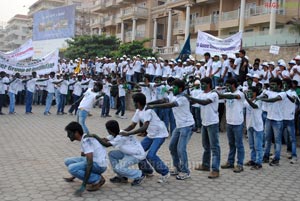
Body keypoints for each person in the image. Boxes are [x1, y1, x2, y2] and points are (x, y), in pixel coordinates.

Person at [147, 79, 194, 180]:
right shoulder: (173, 95)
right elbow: (163, 100)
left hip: (187, 126)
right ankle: (177, 167)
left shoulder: (183, 98)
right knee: (172, 147)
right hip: (179, 125)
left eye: (175, 87)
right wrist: (150, 103)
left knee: (181, 149)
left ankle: (186, 171)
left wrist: (153, 106)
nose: (172, 88)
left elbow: (169, 105)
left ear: (180, 88)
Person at [121, 93, 170, 183]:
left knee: (151, 155)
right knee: (138, 151)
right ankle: (147, 171)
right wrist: (121, 132)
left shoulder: (148, 110)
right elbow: (132, 125)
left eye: (134, 102)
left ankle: (165, 172)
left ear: (138, 103)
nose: (133, 104)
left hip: (160, 134)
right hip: (151, 134)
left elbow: (144, 127)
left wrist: (129, 134)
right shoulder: (138, 111)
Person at [88, 120, 146, 186]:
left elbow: (106, 144)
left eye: (107, 129)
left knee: (118, 168)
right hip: (128, 152)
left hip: (136, 155)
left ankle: (139, 175)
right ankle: (122, 177)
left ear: (109, 130)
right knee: (112, 154)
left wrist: (95, 136)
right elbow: (104, 140)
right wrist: (92, 139)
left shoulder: (120, 137)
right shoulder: (117, 133)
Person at [185, 77, 221, 179]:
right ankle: (205, 165)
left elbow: (204, 102)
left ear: (209, 84)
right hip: (204, 123)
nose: (202, 85)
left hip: (212, 123)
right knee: (206, 146)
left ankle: (215, 169)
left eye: (204, 83)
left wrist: (190, 98)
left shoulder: (213, 94)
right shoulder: (201, 94)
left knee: (215, 147)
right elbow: (195, 102)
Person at [63, 122, 107, 196]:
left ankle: (98, 180)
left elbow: (89, 164)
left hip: (99, 165)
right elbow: (83, 157)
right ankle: (94, 176)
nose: (68, 136)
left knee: (71, 168)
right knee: (68, 161)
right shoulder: (84, 138)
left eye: (69, 133)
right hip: (95, 162)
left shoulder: (86, 141)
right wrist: (75, 175)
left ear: (76, 133)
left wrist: (83, 185)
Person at [218, 78, 245, 173]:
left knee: (239, 144)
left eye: (228, 85)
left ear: (233, 85)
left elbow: (234, 97)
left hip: (238, 123)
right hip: (229, 122)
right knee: (231, 144)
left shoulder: (240, 93)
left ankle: (240, 164)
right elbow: (221, 97)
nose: (227, 87)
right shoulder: (226, 94)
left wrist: (220, 94)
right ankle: (230, 162)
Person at [259, 78, 286, 166]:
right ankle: (266, 157)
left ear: (279, 85)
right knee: (267, 140)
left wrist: (263, 100)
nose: (271, 86)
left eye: (274, 84)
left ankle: (276, 159)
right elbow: (263, 96)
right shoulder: (269, 92)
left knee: (277, 141)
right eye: (271, 84)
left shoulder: (283, 93)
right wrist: (260, 97)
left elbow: (274, 100)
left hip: (278, 120)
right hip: (269, 118)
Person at [244, 86, 264, 170]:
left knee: (258, 146)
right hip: (249, 125)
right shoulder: (246, 101)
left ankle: (258, 163)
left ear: (255, 93)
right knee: (252, 145)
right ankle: (253, 160)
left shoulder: (259, 101)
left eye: (250, 91)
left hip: (257, 126)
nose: (248, 93)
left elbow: (254, 106)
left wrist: (246, 98)